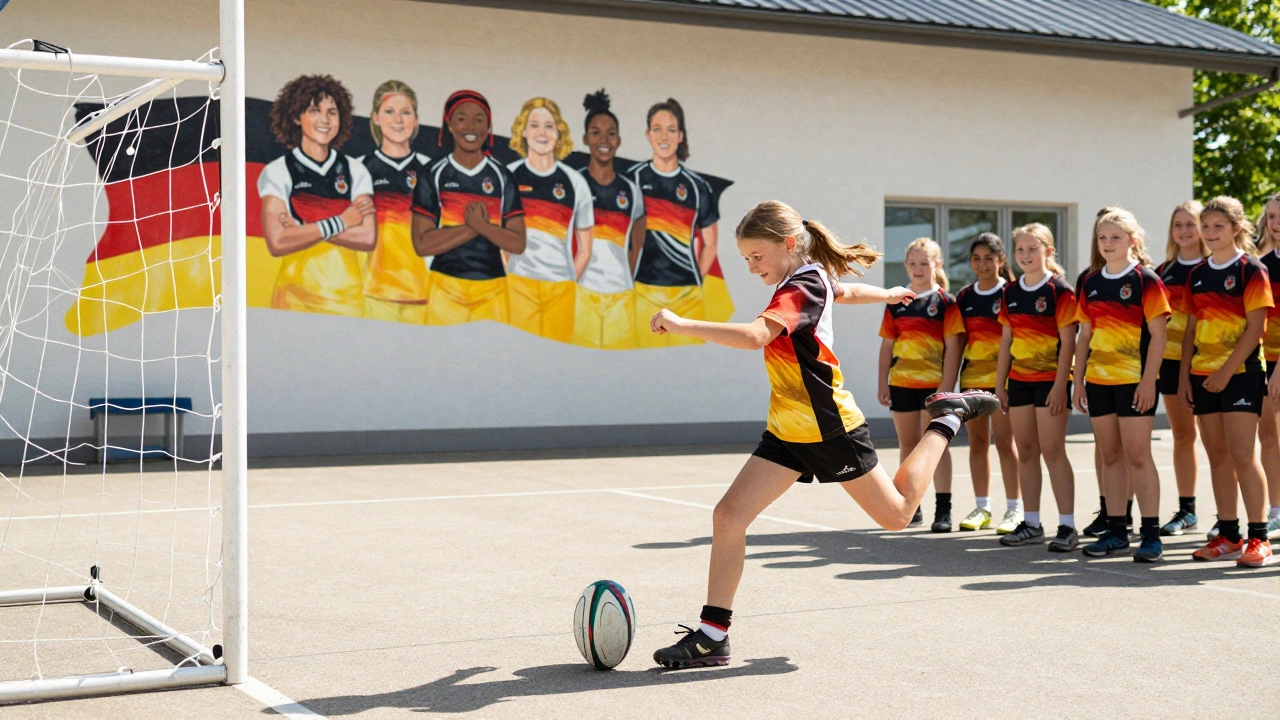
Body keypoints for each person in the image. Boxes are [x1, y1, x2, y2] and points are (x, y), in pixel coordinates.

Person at [647, 200, 999, 670]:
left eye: (756, 256)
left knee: (896, 516)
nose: (751, 267)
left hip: (829, 426)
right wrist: (890, 294)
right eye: (746, 259)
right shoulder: (809, 278)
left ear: (788, 245)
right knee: (728, 516)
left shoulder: (801, 286)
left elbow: (755, 336)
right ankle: (713, 635)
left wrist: (682, 323)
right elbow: (844, 292)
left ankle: (947, 419)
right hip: (788, 430)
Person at [1178, 195, 1273, 567]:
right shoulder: (1197, 274)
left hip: (1241, 376)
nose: (1210, 233)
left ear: (1237, 228)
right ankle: (1229, 535)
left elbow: (1257, 329)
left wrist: (1224, 372)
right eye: (1207, 226)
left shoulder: (1252, 269)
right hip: (1203, 378)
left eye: (1219, 226)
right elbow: (1189, 331)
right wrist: (1187, 376)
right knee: (1217, 456)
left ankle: (1259, 537)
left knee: (1243, 455)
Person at [1073, 209, 1170, 561]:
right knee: (1110, 456)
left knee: (1138, 456)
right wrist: (1079, 381)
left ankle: (1151, 535)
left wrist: (1148, 381)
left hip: (1135, 383)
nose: (1108, 243)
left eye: (1116, 237)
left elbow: (1159, 336)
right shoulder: (1091, 281)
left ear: (1133, 240)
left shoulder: (1146, 280)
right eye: (1102, 238)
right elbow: (1085, 336)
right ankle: (1115, 531)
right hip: (1099, 382)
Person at [258, 74, 375, 316]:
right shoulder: (278, 171)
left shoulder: (355, 170)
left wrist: (304, 227)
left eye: (332, 112)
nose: (325, 120)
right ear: (295, 117)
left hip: (346, 301)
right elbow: (278, 241)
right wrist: (340, 222)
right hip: (293, 300)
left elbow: (366, 236)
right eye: (314, 110)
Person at [995, 223, 1079, 552]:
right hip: (1018, 383)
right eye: (1020, 250)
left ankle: (1068, 526)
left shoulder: (1061, 291)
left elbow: (1069, 343)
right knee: (1026, 452)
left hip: (1050, 384)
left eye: (1033, 248)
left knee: (1053, 451)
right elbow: (1006, 342)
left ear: (1048, 251)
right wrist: (1000, 384)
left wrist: (1061, 385)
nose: (1026, 255)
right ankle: (1031, 523)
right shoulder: (1011, 292)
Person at [412, 90, 526, 326]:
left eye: (479, 119)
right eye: (461, 118)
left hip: (492, 287)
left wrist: (482, 226)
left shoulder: (502, 176)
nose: (470, 127)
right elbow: (422, 244)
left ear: (488, 127)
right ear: (450, 125)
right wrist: (474, 228)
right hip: (445, 285)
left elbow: (517, 243)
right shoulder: (433, 173)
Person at [877, 238, 962, 531]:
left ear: (936, 265)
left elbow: (954, 349)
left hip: (934, 387)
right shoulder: (897, 302)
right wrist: (883, 382)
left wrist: (946, 388)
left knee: (936, 447)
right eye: (912, 263)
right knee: (908, 446)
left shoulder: (946, 302)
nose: (917, 268)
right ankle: (911, 507)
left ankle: (944, 509)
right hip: (901, 384)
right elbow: (887, 347)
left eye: (924, 263)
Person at [628, 99, 726, 346]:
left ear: (680, 136)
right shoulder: (633, 180)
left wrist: (693, 284)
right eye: (657, 128)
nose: (664, 136)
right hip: (643, 288)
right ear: (648, 134)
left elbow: (710, 245)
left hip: (687, 294)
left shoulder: (697, 186)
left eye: (671, 129)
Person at [506, 97, 594, 343]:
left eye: (549, 126)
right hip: (518, 287)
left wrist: (566, 283)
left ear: (559, 132)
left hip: (560, 290)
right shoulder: (509, 176)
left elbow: (585, 249)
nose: (542, 133)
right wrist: (509, 276)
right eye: (534, 125)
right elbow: (500, 239)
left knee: (557, 361)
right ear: (523, 131)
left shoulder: (576, 183)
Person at [953, 234, 1022, 533]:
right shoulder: (965, 297)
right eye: (976, 259)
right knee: (978, 444)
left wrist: (1005, 381)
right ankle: (982, 508)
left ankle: (1015, 510)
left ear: (1001, 261)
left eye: (989, 258)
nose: (982, 264)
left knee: (1006, 443)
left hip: (1003, 383)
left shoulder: (1010, 292)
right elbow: (958, 343)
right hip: (972, 383)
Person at [573, 89, 646, 350]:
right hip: (581, 295)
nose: (603, 139)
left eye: (610, 133)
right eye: (596, 132)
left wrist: (624, 277)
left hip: (620, 295)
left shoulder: (631, 191)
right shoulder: (574, 185)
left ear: (618, 140)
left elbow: (636, 246)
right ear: (585, 138)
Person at [1155, 201, 1209, 536]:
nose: (1184, 231)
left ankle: (1227, 515)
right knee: (1183, 435)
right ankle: (1187, 510)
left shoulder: (1215, 266)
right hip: (1171, 364)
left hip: (1211, 365)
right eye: (1179, 225)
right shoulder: (1163, 272)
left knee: (1222, 445)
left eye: (1191, 224)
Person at [361, 80, 432, 323]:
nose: (398, 120)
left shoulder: (431, 171)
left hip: (423, 292)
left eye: (406, 113)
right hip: (374, 292)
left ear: (415, 120)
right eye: (389, 112)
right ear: (376, 117)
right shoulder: (359, 169)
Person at [1253, 191, 1280, 540]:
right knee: (1268, 436)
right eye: (1272, 217)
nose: (1276, 224)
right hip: (1265, 363)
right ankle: (1275, 510)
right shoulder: (1261, 266)